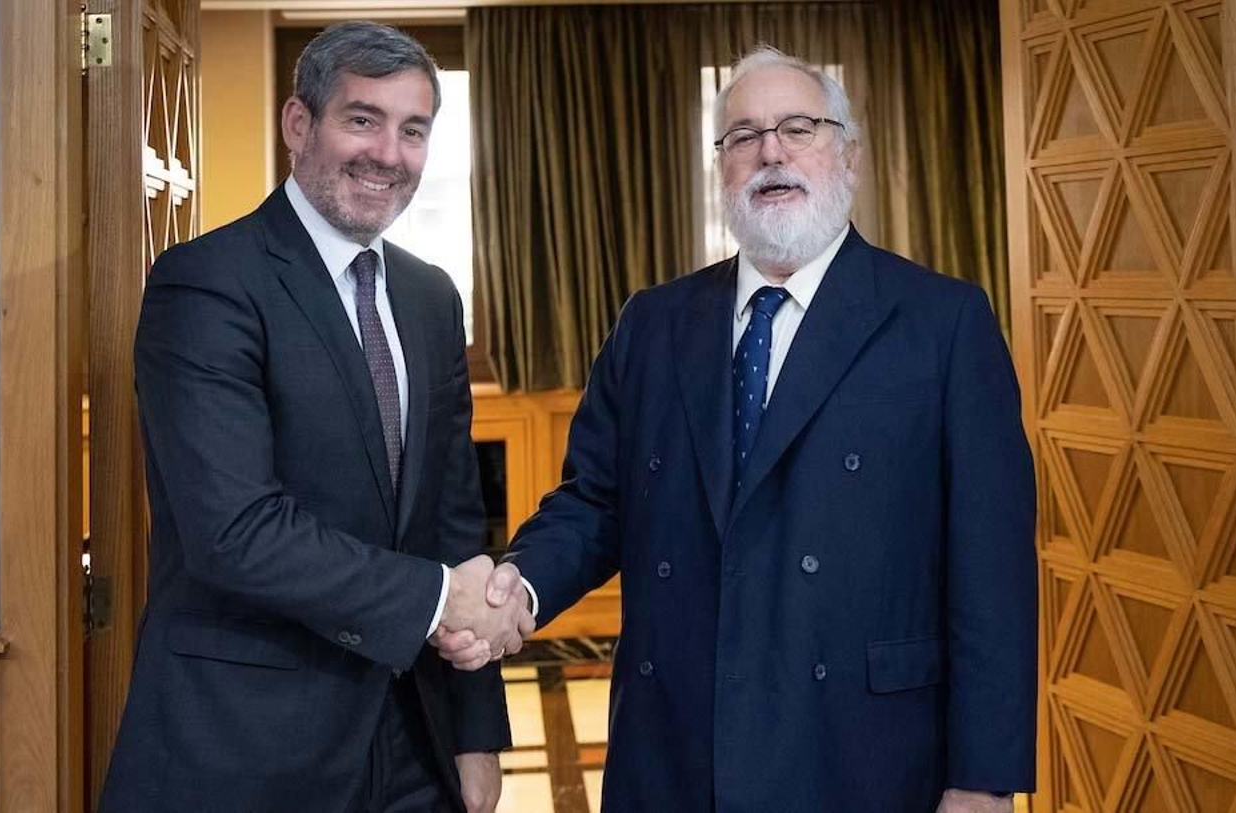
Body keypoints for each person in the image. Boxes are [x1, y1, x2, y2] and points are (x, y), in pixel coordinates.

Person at [437, 46, 1037, 813]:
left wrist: (983, 780)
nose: (770, 152)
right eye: (744, 135)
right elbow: (595, 501)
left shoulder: (943, 322)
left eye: (798, 128)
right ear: (721, 166)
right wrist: (518, 587)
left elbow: (991, 572)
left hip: (863, 753)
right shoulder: (654, 322)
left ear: (849, 156)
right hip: (675, 750)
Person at [99, 21, 531, 813]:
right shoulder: (205, 284)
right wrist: (438, 599)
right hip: (246, 747)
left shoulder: (431, 297)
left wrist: (474, 732)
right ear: (299, 123)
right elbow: (236, 530)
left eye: (413, 130)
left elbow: (452, 524)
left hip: (414, 742)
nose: (388, 154)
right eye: (362, 119)